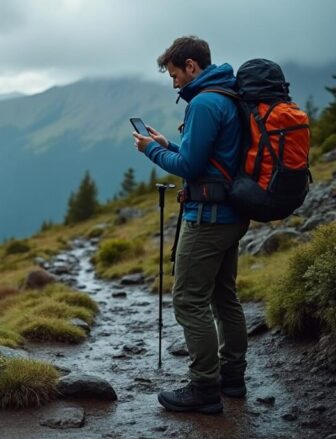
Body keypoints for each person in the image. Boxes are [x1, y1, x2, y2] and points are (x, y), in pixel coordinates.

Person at [132, 36, 250, 414]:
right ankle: (232, 378)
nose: (174, 82)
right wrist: (170, 142)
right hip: (232, 214)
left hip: (208, 221)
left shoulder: (204, 102)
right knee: (224, 297)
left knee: (188, 300)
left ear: (191, 66)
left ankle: (204, 389)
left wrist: (152, 149)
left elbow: (188, 168)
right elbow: (208, 157)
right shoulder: (227, 95)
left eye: (174, 74)